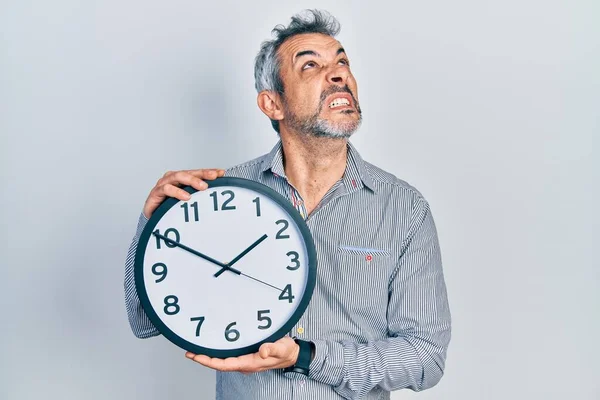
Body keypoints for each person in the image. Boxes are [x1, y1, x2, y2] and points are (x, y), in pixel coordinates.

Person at [124, 9, 451, 400]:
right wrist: (153, 223)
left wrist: (307, 357)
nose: (338, 74)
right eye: (311, 65)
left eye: (342, 62)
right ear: (272, 104)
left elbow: (425, 357)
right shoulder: (219, 199)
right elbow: (146, 320)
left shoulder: (402, 209)